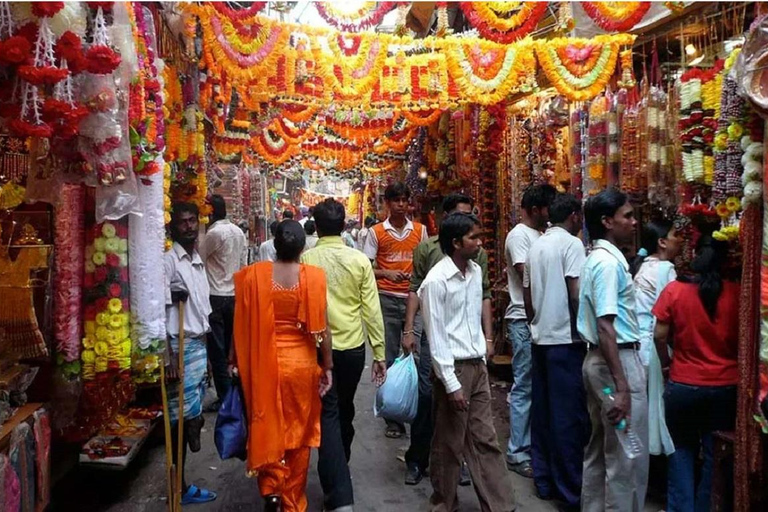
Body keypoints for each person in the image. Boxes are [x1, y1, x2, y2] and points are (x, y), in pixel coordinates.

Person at [233, 220, 333, 512]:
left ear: (274, 245)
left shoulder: (253, 276)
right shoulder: (312, 277)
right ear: (304, 247)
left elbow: (240, 320)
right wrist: (327, 366)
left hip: (263, 364)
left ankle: (272, 489)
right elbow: (323, 329)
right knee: (299, 435)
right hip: (301, 367)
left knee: (266, 423)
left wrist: (233, 359)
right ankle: (292, 501)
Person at [419, 213, 517, 512]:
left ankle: (499, 505)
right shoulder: (435, 281)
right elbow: (436, 335)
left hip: (475, 366)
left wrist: (484, 350)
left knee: (485, 438)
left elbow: (473, 318)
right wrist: (450, 382)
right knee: (449, 444)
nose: (479, 242)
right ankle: (443, 504)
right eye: (473, 237)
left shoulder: (475, 273)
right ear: (455, 243)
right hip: (454, 367)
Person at [302, 198, 387, 512]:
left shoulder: (307, 259)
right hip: (352, 350)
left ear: (317, 224)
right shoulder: (359, 260)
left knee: (330, 414)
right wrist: (379, 352)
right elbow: (371, 310)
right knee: (343, 409)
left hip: (317, 350)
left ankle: (338, 491)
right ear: (343, 225)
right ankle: (340, 467)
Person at [401, 193, 492, 486]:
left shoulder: (477, 261)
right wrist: (408, 330)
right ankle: (419, 459)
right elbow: (416, 289)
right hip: (437, 338)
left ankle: (459, 469)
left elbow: (484, 296)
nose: (477, 240)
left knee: (471, 420)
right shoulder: (428, 251)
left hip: (469, 349)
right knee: (430, 397)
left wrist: (488, 337)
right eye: (470, 232)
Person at [653, 236, 739, 512]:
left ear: (695, 255)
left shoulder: (675, 290)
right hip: (725, 387)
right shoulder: (737, 294)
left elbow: (659, 334)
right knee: (715, 459)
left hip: (683, 384)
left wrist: (667, 363)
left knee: (680, 452)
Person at [577, 188, 648, 512]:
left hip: (602, 362)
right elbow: (607, 327)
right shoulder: (607, 264)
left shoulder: (599, 258)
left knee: (601, 449)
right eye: (628, 216)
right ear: (608, 221)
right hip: (615, 361)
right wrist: (621, 387)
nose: (634, 222)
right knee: (624, 455)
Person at [522, 193, 589, 508]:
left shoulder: (536, 245)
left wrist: (536, 321)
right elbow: (576, 292)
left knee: (544, 413)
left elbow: (528, 293)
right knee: (566, 417)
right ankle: (569, 490)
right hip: (565, 341)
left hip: (541, 338)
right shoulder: (572, 245)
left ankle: (544, 480)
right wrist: (584, 331)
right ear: (575, 216)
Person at [362, 182, 428, 439]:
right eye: (396, 200)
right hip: (387, 299)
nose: (401, 204)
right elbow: (366, 267)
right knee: (388, 356)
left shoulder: (420, 231)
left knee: (416, 354)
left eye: (404, 200)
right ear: (387, 204)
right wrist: (386, 272)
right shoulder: (376, 233)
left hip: (414, 299)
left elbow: (424, 264)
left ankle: (415, 410)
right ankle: (393, 417)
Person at [164, 202, 216, 505]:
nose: (188, 226)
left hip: (198, 344)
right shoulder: (168, 262)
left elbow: (201, 314)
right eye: (182, 222)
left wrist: (208, 356)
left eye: (192, 221)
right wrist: (167, 355)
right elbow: (156, 309)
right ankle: (178, 488)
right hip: (178, 347)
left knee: (189, 416)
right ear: (173, 228)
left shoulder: (197, 261)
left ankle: (182, 484)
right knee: (180, 421)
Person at [504, 183, 556, 477]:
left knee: (537, 383)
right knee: (524, 383)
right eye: (548, 209)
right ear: (536, 209)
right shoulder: (519, 236)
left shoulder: (542, 234)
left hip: (542, 317)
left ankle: (533, 444)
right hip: (523, 318)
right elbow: (527, 275)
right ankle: (517, 450)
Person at [632, 220, 682, 457]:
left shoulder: (644, 267)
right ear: (662, 242)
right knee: (657, 407)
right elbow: (670, 314)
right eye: (675, 235)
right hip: (652, 346)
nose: (679, 239)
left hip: (639, 346)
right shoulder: (665, 270)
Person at [199, 195, 247, 409]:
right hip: (234, 295)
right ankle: (235, 392)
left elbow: (199, 259)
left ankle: (226, 398)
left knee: (218, 351)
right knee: (232, 347)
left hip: (216, 296)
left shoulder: (214, 233)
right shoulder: (238, 232)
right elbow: (243, 262)